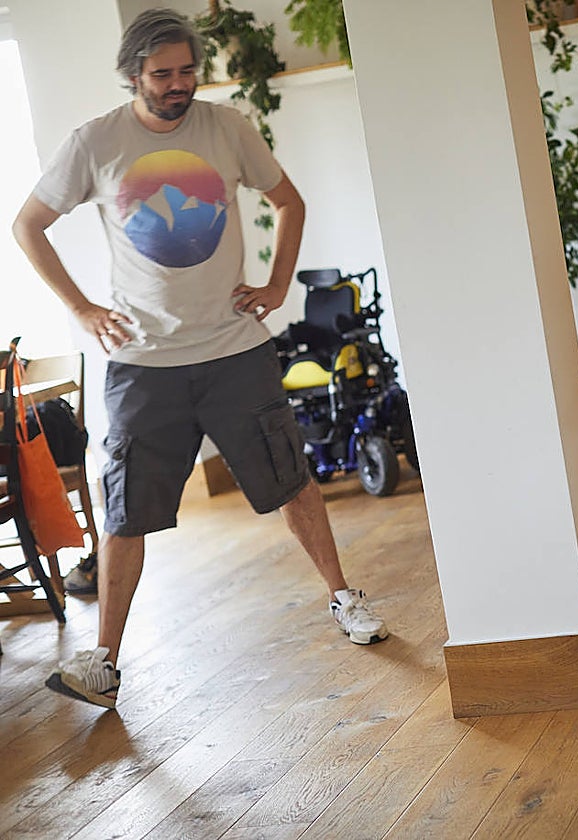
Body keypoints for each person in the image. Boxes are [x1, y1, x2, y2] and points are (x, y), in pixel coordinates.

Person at [11, 8, 388, 710]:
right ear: (133, 75)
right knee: (125, 509)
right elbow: (27, 226)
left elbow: (288, 202)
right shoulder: (95, 143)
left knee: (290, 479)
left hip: (234, 349)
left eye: (187, 71)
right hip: (142, 359)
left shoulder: (227, 128)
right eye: (164, 75)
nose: (179, 85)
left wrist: (277, 286)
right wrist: (83, 310)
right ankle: (103, 660)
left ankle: (344, 599)